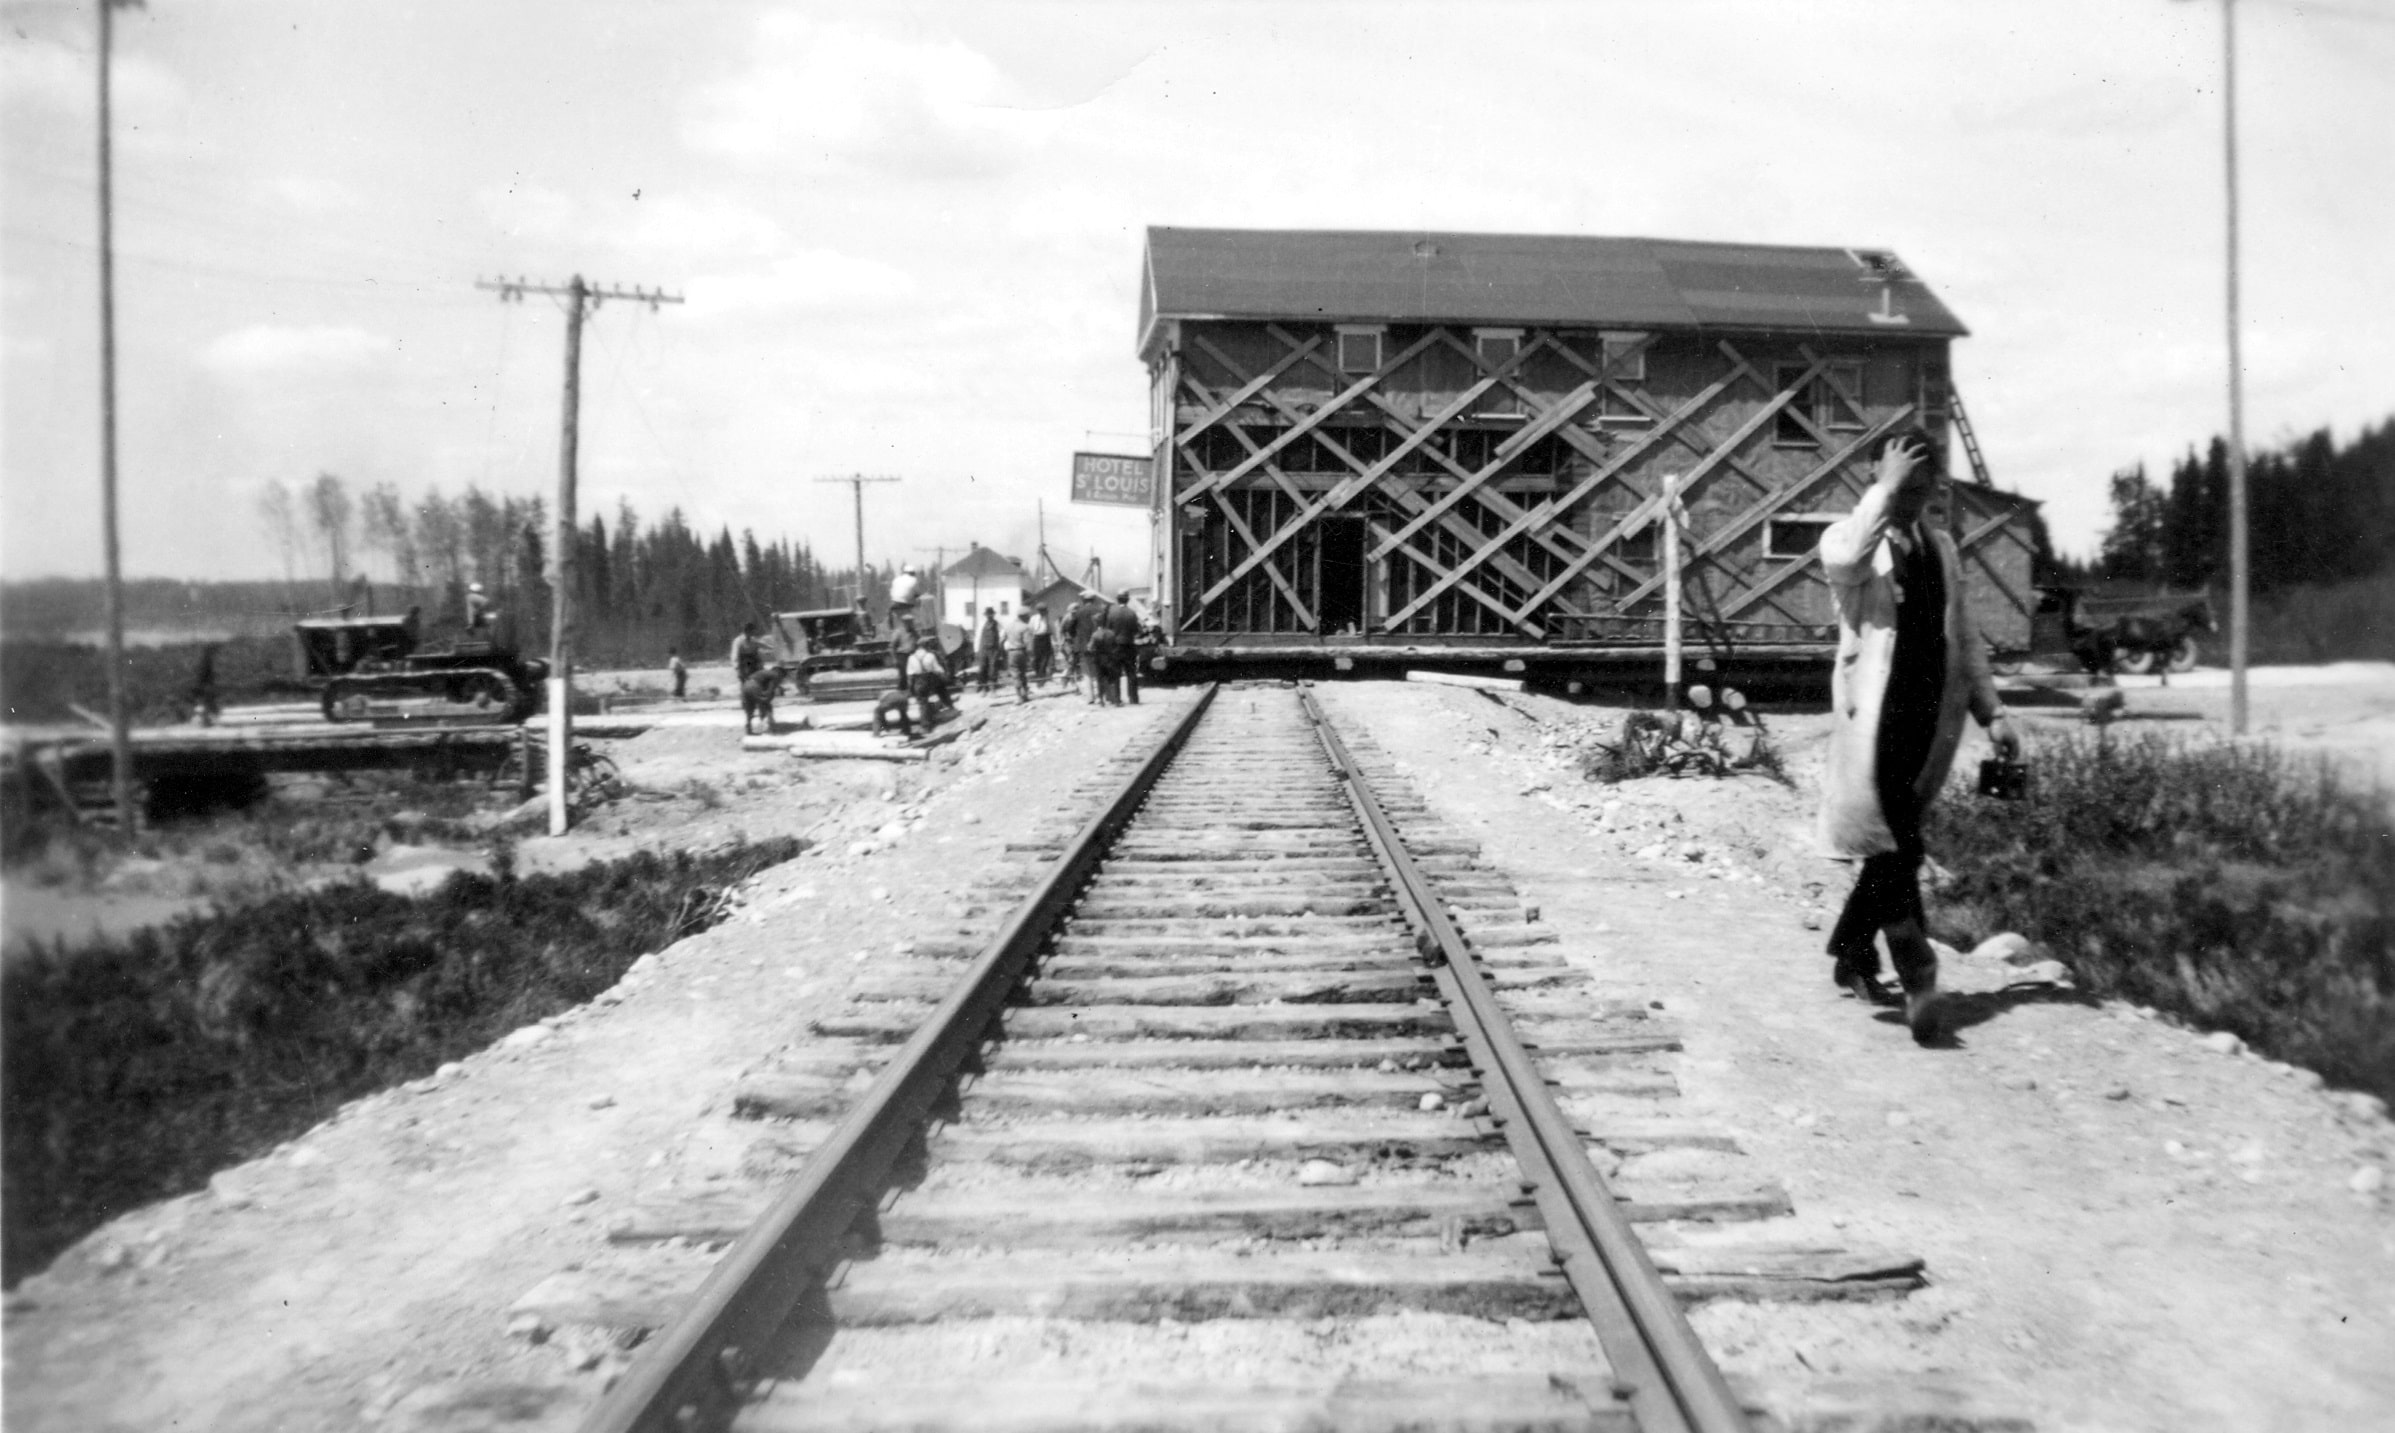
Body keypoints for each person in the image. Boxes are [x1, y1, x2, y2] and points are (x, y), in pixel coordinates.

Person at [1817, 430, 2022, 1044]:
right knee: (1898, 850)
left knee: (1891, 845)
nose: (1911, 498)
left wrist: (1994, 710)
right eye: (1901, 486)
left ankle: (1852, 954)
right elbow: (1849, 559)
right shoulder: (1847, 538)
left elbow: (1966, 636)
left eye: (1922, 487)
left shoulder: (1944, 549)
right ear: (1876, 478)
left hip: (1927, 722)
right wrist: (1883, 488)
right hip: (1872, 723)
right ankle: (1920, 978)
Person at [905, 634, 954, 729]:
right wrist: (945, 676)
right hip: (930, 680)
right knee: (941, 688)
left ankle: (926, 726)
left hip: (918, 682)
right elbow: (938, 669)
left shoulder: (911, 658)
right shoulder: (930, 655)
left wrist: (911, 689)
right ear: (926, 646)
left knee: (923, 702)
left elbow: (909, 676)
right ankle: (950, 706)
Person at [1104, 590, 1143, 705]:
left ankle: (1116, 699)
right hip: (1129, 646)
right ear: (1128, 599)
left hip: (1115, 647)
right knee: (1131, 673)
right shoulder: (1132, 613)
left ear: (1117, 599)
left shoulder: (1112, 613)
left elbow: (1108, 630)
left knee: (1115, 673)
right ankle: (1133, 699)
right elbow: (1136, 631)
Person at [1002, 610, 1033, 703]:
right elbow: (1028, 644)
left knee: (1015, 674)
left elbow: (1002, 639)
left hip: (1011, 652)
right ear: (1023, 616)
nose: (1029, 618)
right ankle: (1023, 696)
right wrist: (1030, 656)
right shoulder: (1025, 627)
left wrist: (1003, 654)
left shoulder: (1008, 626)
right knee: (1022, 674)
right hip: (1022, 652)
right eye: (1027, 616)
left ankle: (1020, 696)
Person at [888, 565, 925, 640]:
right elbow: (918, 593)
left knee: (891, 615)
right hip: (907, 604)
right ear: (912, 573)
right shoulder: (914, 580)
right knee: (919, 604)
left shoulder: (897, 579)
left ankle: (891, 628)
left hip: (894, 604)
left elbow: (892, 592)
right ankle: (918, 629)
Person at [975, 610, 1003, 695]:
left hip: (993, 650)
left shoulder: (997, 624)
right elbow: (978, 636)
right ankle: (984, 688)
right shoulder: (981, 624)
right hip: (983, 648)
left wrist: (999, 644)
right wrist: (976, 650)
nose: (989, 616)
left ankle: (993, 689)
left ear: (993, 615)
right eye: (988, 614)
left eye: (991, 614)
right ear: (986, 615)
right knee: (982, 668)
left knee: (993, 668)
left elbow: (1002, 633)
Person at [1028, 606, 1054, 685]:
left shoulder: (1048, 618)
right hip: (1037, 638)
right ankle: (1038, 674)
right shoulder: (1034, 618)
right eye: (1041, 611)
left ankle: (1041, 677)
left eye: (1044, 610)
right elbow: (1030, 629)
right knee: (1036, 659)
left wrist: (1054, 640)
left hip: (1046, 638)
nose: (1043, 612)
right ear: (1038, 611)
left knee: (1045, 658)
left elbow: (1052, 630)